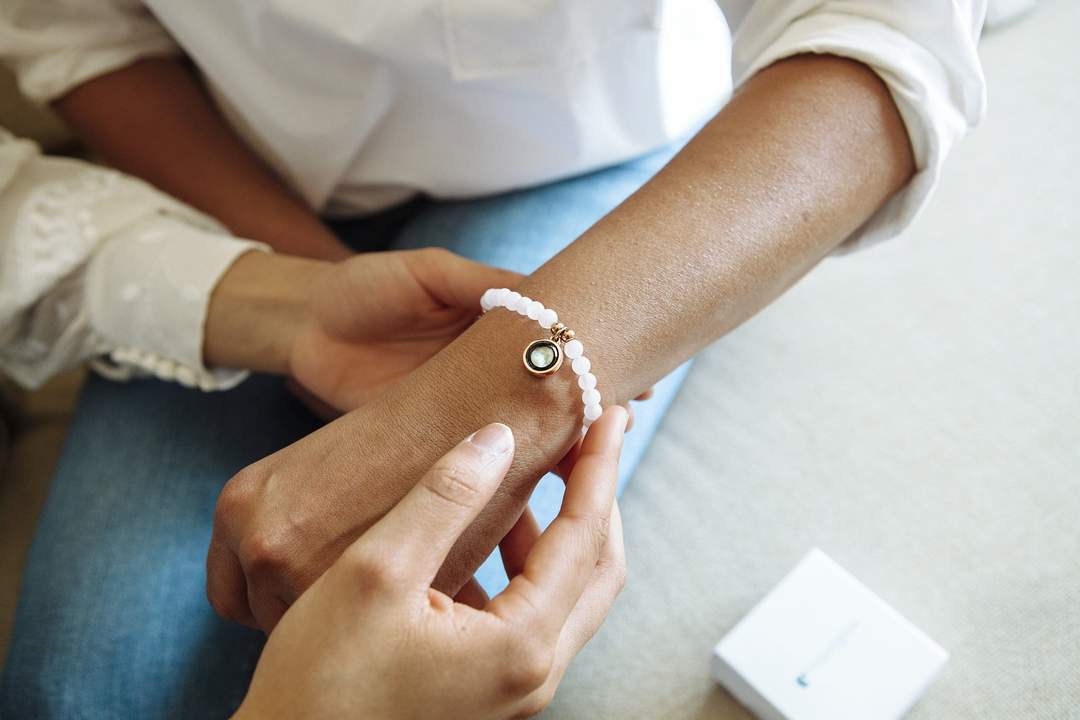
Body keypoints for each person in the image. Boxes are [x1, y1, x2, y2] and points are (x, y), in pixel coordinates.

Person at [0, 1, 987, 716]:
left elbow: (886, 37)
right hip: (222, 162)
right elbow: (82, 29)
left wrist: (494, 387)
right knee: (78, 689)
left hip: (586, 153)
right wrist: (299, 295)